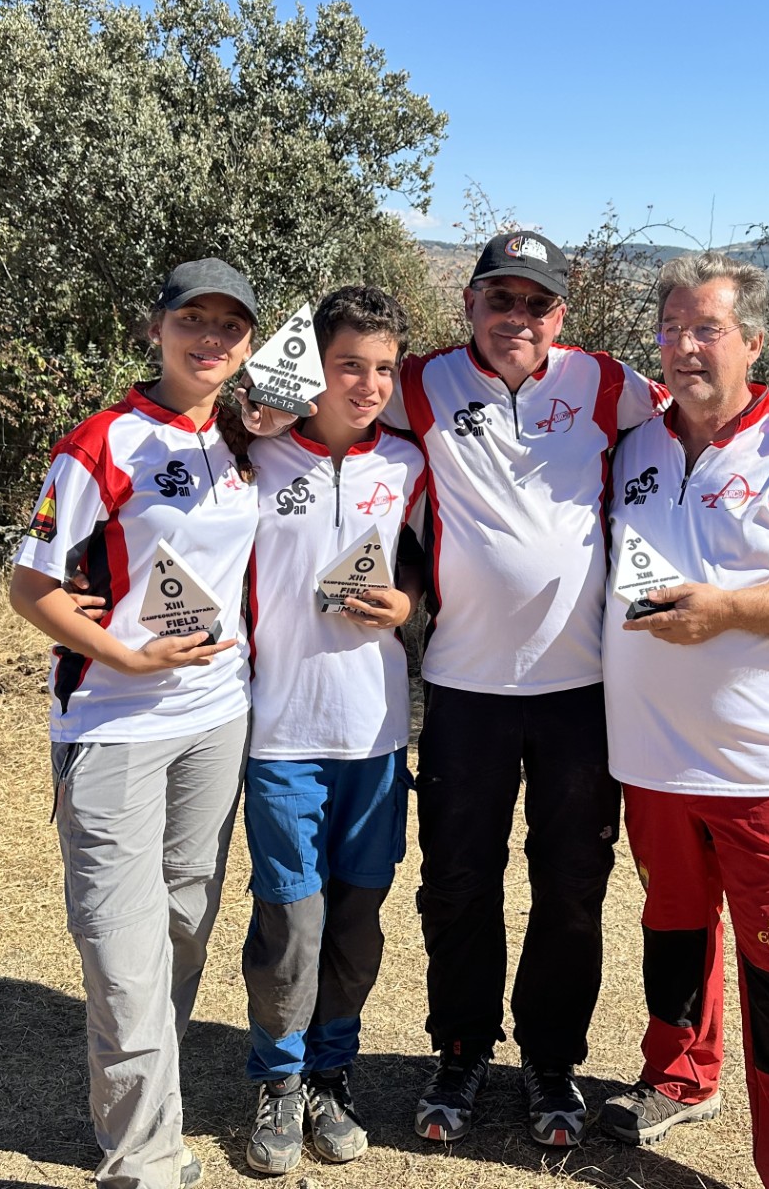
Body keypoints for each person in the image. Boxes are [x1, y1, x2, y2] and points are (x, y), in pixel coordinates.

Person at [380, 231, 769, 1147]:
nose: (517, 317)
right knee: (457, 884)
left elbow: (715, 394)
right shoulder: (419, 382)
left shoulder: (607, 383)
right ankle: (461, 1050)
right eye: (500, 298)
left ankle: (551, 1060)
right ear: (470, 305)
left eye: (537, 303)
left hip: (583, 696)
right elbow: (326, 396)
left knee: (571, 890)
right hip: (463, 688)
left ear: (561, 314)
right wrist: (237, 412)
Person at [598, 252, 769, 1189]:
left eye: (707, 329)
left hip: (766, 768)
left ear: (753, 343)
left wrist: (728, 610)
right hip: (650, 759)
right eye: (672, 328)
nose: (685, 346)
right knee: (674, 933)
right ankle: (680, 1078)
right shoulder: (630, 439)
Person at [9, 258, 263, 1189]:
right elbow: (30, 587)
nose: (210, 339)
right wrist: (125, 655)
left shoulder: (248, 438)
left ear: (249, 344)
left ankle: (152, 1097)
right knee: (122, 945)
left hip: (219, 721)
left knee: (184, 923)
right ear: (157, 329)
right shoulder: (100, 443)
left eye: (230, 326)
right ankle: (144, 1160)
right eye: (192, 319)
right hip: (113, 725)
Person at [236, 285, 427, 1174]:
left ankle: (330, 1073)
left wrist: (407, 603)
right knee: (291, 923)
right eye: (349, 364)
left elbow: (424, 564)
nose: (369, 385)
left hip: (377, 737)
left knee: (356, 922)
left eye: (384, 368)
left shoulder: (410, 463)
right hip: (281, 734)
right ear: (312, 366)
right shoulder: (254, 453)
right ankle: (277, 1080)